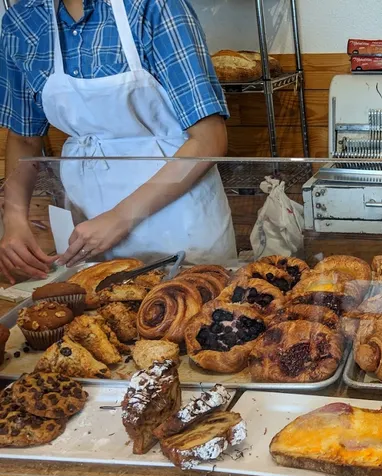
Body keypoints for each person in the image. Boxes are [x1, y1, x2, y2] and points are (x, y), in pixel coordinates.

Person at [0, 0, 237, 283]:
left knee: (184, 314)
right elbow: (24, 138)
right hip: (88, 223)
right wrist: (14, 219)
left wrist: (120, 218)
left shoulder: (153, 6)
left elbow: (209, 139)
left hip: (180, 219)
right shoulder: (21, 22)